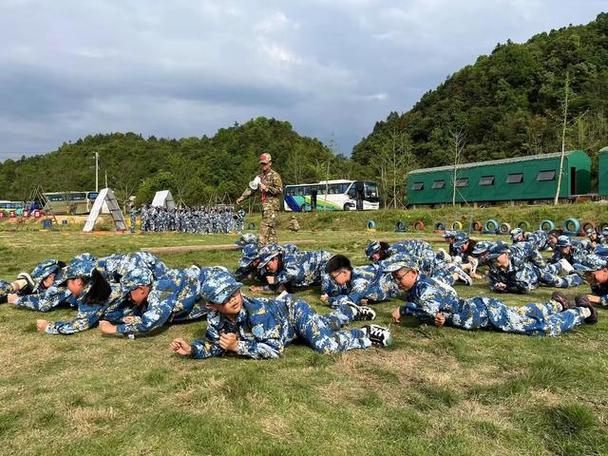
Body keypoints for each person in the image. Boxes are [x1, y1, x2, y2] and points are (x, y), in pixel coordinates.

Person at [169, 272, 391, 360]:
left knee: (325, 345)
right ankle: (351, 309)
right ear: (213, 306)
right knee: (327, 322)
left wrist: (239, 348)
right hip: (286, 327)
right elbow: (217, 345)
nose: (234, 300)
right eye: (225, 299)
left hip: (293, 313)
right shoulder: (215, 320)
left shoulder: (257, 312)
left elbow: (275, 349)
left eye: (234, 293)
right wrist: (192, 350)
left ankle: (366, 334)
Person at [386, 259, 596, 336]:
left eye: (399, 277)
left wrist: (403, 310)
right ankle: (557, 304)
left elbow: (426, 310)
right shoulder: (419, 287)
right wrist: (441, 317)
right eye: (395, 279)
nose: (397, 282)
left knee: (537, 328)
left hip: (481, 313)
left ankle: (582, 311)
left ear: (413, 273)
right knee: (520, 313)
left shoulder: (424, 287)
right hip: (478, 308)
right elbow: (436, 308)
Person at [487, 241, 582, 294]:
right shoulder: (494, 268)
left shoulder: (517, 264)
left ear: (506, 254)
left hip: (538, 275)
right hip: (531, 279)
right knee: (550, 269)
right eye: (492, 258)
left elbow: (525, 288)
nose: (494, 260)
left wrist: (507, 287)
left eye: (496, 257)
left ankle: (579, 276)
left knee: (561, 282)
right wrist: (497, 286)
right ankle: (561, 264)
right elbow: (492, 283)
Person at [236, 153, 283, 245]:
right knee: (271, 231)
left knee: (264, 226)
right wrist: (242, 197)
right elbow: (251, 189)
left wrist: (267, 188)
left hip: (272, 207)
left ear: (270, 163)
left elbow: (280, 190)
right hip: (264, 207)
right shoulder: (259, 177)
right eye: (262, 164)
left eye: (265, 163)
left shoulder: (275, 176)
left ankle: (261, 248)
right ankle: (273, 250)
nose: (263, 166)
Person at [321, 254, 398, 309]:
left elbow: (348, 303)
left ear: (344, 273)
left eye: (334, 277)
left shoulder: (360, 281)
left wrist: (329, 300)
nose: (333, 280)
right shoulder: (352, 274)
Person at [255, 244, 331, 293]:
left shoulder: (290, 261)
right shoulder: (282, 258)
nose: (267, 268)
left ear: (275, 259)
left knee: (327, 292)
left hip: (326, 263)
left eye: (268, 265)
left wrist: (263, 288)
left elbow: (286, 276)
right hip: (314, 274)